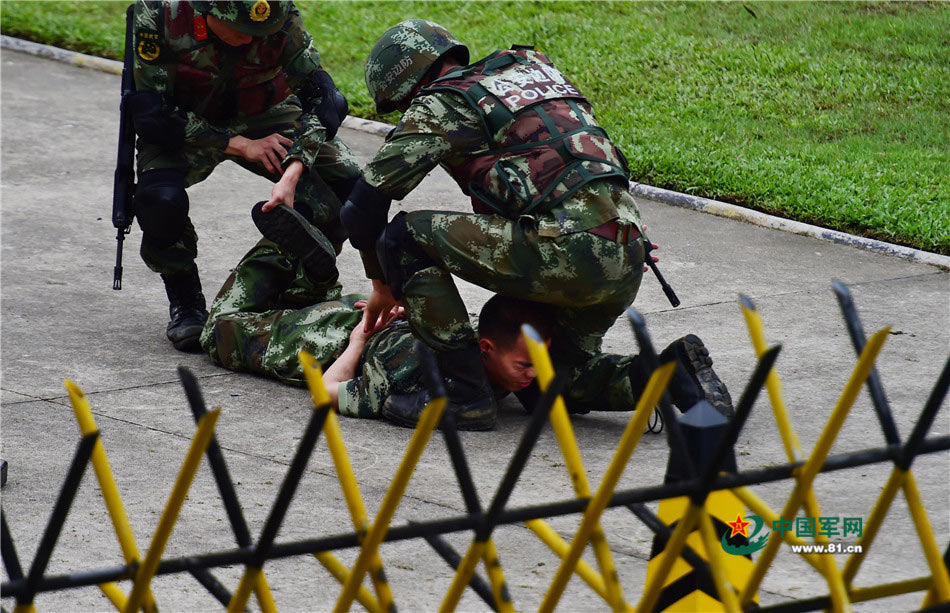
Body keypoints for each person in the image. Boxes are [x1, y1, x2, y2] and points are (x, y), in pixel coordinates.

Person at [339, 20, 734, 430]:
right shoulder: (531, 69)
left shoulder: (440, 103)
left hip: (568, 251)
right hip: (626, 251)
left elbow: (362, 210)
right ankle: (672, 376)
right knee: (543, 383)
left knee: (404, 237)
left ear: (408, 87)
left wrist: (382, 285)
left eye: (402, 108)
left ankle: (464, 395)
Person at [129, 0, 361, 352]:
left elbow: (326, 99)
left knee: (348, 188)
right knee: (160, 201)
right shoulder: (160, 13)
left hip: (266, 112)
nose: (250, 40)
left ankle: (285, 283)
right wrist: (236, 144)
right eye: (240, 31)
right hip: (185, 124)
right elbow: (151, 115)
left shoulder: (279, 15)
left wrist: (296, 164)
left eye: (261, 33)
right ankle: (186, 301)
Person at [199, 202, 558, 423]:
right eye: (524, 365)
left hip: (364, 312)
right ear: (486, 349)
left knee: (286, 310)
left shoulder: (486, 335)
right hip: (330, 338)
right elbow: (325, 392)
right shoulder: (407, 371)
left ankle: (314, 280)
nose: (533, 373)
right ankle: (278, 251)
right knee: (219, 331)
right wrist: (357, 343)